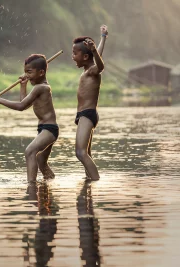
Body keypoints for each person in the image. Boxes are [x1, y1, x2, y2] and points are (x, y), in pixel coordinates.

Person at [0, 54, 58, 182]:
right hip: (44, 128)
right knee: (41, 161)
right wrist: (23, 86)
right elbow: (24, 104)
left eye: (29, 72)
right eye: (25, 72)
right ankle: (50, 184)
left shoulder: (40, 88)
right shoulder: (39, 88)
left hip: (49, 129)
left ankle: (31, 185)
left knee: (30, 151)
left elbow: (20, 106)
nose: (26, 75)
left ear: (41, 72)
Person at [72, 25, 108, 181]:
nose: (73, 56)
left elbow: (100, 65)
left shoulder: (93, 70)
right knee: (87, 153)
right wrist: (103, 37)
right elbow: (97, 55)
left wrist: (93, 50)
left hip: (88, 114)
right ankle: (89, 186)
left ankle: (95, 182)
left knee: (80, 152)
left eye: (75, 53)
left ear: (85, 57)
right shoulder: (87, 69)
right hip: (83, 115)